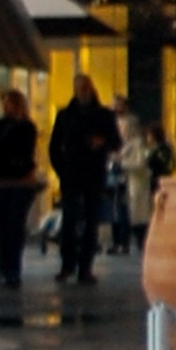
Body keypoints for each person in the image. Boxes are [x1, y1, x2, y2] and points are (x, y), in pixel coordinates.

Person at [48, 74, 122, 287]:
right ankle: (67, 265)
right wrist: (62, 169)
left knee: (91, 221)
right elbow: (54, 146)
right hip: (71, 174)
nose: (83, 91)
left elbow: (116, 142)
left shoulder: (104, 115)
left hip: (94, 174)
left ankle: (85, 267)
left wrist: (103, 142)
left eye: (86, 87)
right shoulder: (65, 116)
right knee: (69, 220)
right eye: (79, 88)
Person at [0, 87, 41, 287]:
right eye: (4, 103)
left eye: (10, 103)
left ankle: (12, 267)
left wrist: (12, 162)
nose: (7, 107)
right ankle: (5, 265)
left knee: (14, 225)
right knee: (1, 226)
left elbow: (24, 150)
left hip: (18, 181)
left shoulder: (26, 127)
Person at [109, 99, 154, 255]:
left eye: (123, 126)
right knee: (121, 213)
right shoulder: (121, 144)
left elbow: (140, 163)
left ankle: (139, 243)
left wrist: (121, 164)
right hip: (122, 184)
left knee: (136, 216)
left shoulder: (137, 143)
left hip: (135, 183)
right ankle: (121, 243)